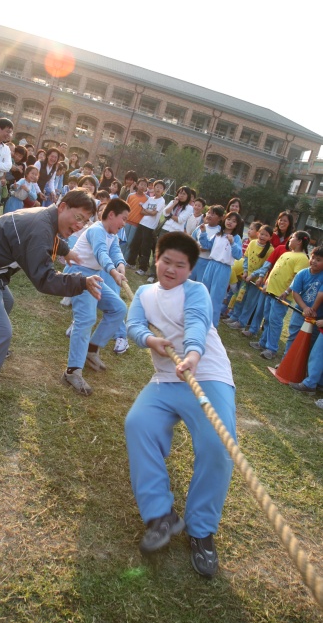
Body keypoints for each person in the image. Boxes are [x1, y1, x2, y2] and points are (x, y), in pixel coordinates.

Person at [125, 231, 236, 577]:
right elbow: (133, 325)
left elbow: (198, 323)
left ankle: (201, 531)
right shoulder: (144, 293)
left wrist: (192, 355)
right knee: (138, 424)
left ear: (190, 269)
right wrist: (149, 339)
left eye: (180, 265)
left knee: (218, 445)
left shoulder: (196, 291)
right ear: (156, 259)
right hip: (166, 378)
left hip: (206, 374)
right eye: (166, 261)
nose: (171, 269)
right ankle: (161, 515)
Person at [0, 189, 102, 420]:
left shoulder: (45, 218)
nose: (80, 225)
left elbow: (48, 238)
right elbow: (44, 279)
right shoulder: (40, 227)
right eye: (78, 217)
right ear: (62, 207)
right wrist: (82, 282)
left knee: (6, 302)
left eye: (85, 221)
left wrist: (66, 251)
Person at [61, 198, 129, 396]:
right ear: (111, 215)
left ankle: (91, 350)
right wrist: (113, 273)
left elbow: (115, 251)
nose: (124, 223)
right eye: (123, 218)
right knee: (86, 319)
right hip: (79, 274)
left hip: (94, 275)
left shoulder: (111, 234)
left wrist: (120, 266)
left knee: (118, 308)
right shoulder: (97, 230)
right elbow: (101, 253)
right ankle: (72, 372)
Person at [250, 231, 310, 360]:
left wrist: (287, 291)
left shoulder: (303, 258)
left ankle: (271, 349)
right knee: (268, 318)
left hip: (281, 295)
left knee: (275, 321)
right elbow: (275, 270)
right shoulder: (287, 253)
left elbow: (297, 279)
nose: (290, 239)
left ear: (299, 241)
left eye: (292, 237)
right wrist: (267, 284)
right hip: (271, 290)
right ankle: (263, 342)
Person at [199, 211, 243, 328]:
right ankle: (199, 319)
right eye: (229, 219)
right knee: (204, 292)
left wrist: (232, 243)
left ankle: (212, 325)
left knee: (216, 297)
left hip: (223, 268)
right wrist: (203, 232)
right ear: (224, 220)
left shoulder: (236, 238)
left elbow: (238, 255)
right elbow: (206, 245)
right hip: (211, 264)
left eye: (234, 221)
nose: (230, 222)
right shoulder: (218, 234)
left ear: (237, 225)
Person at [226, 225, 274, 330]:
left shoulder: (270, 250)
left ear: (270, 237)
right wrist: (245, 271)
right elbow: (246, 258)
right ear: (258, 233)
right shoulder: (252, 243)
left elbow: (265, 267)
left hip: (257, 281)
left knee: (250, 302)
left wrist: (253, 275)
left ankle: (242, 322)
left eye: (266, 235)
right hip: (246, 277)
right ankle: (234, 317)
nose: (262, 237)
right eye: (261, 234)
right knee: (240, 297)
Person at [281, 245, 323, 356]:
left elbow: (321, 294)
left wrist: (312, 310)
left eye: (318, 260)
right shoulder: (302, 273)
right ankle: (286, 361)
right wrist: (305, 308)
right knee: (293, 336)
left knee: (310, 341)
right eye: (313, 257)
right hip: (300, 312)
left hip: (317, 316)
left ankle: (303, 365)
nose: (314, 261)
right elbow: (295, 292)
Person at [126, 180, 166, 275]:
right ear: (153, 188)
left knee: (145, 247)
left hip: (150, 227)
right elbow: (142, 211)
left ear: (163, 190)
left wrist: (148, 211)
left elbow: (154, 213)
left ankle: (143, 268)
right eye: (157, 187)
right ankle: (131, 263)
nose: (158, 189)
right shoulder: (150, 199)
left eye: (161, 188)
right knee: (135, 244)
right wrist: (150, 212)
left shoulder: (162, 201)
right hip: (142, 223)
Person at [189, 205, 225, 282]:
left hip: (207, 262)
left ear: (220, 218)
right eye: (208, 213)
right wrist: (196, 247)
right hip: (194, 259)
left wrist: (205, 248)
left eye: (213, 214)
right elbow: (191, 240)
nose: (209, 215)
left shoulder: (219, 232)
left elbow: (213, 247)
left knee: (200, 283)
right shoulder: (201, 227)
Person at [122, 177, 148, 257]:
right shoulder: (131, 195)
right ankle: (119, 257)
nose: (142, 187)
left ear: (146, 188)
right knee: (123, 240)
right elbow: (125, 207)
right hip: (127, 221)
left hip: (136, 224)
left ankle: (126, 258)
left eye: (145, 185)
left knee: (130, 242)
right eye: (141, 184)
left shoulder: (147, 199)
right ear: (137, 185)